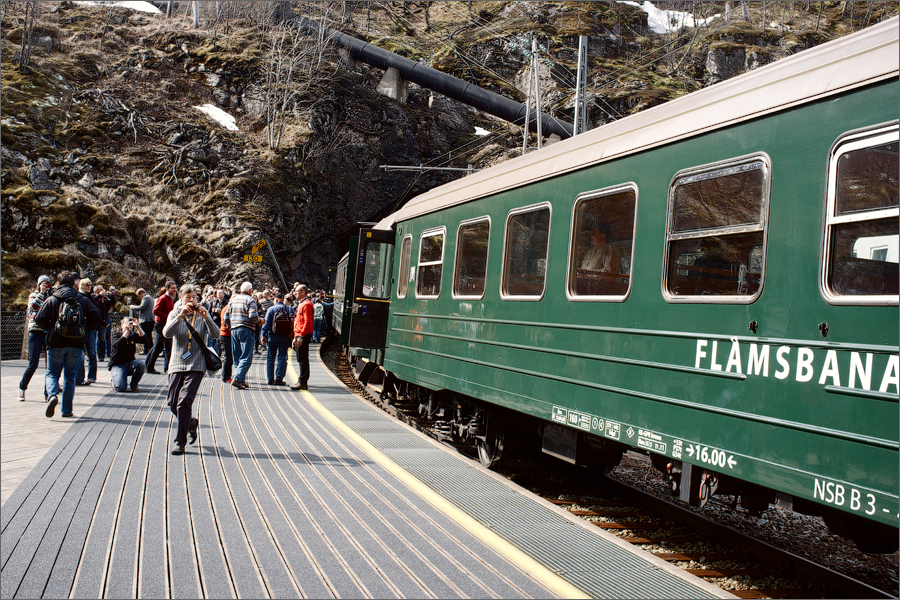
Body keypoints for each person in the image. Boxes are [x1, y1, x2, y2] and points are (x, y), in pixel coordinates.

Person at [34, 270, 101, 418]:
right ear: (74, 283)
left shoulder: (53, 299)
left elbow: (39, 320)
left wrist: (50, 329)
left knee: (52, 373)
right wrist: (83, 328)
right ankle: (66, 411)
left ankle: (52, 395)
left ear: (58, 282)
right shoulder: (82, 299)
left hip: (55, 342)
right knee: (70, 378)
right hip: (76, 343)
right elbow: (96, 314)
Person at [164, 283, 219, 455]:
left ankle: (180, 442)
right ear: (180, 299)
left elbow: (216, 335)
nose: (191, 301)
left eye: (194, 297)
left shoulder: (202, 313)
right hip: (177, 362)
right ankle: (190, 424)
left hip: (196, 363)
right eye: (188, 298)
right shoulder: (175, 312)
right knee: (172, 403)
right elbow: (166, 333)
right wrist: (180, 316)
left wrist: (207, 318)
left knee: (184, 401)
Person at [18, 275, 53, 401]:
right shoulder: (34, 295)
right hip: (35, 332)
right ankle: (22, 387)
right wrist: (41, 294)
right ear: (38, 284)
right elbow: (33, 307)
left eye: (48, 283)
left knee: (49, 365)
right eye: (43, 283)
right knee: (33, 364)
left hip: (47, 332)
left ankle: (48, 393)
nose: (45, 285)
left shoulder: (51, 297)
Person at [225, 281, 258, 390]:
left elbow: (226, 316)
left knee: (237, 355)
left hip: (234, 329)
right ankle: (238, 378)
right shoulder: (250, 300)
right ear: (250, 290)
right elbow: (253, 315)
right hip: (246, 329)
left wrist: (230, 327)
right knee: (246, 356)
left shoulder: (233, 300)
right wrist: (260, 321)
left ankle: (240, 378)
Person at [261, 290, 292, 385]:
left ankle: (270, 379)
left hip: (272, 336)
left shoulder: (271, 309)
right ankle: (279, 378)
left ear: (276, 300)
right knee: (282, 357)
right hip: (285, 337)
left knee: (270, 357)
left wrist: (263, 335)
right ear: (283, 300)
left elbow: (266, 324)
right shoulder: (289, 309)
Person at [108, 317, 147, 392]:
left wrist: (138, 327)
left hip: (129, 363)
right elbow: (117, 345)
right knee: (121, 388)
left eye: (131, 324)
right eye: (127, 323)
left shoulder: (133, 335)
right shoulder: (116, 335)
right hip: (118, 364)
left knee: (141, 364)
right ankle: (114, 380)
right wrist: (126, 332)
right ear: (122, 325)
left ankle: (134, 384)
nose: (130, 326)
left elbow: (145, 340)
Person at [146, 281, 177, 374]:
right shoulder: (163, 298)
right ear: (167, 289)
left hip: (166, 324)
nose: (174, 290)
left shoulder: (171, 299)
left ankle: (151, 366)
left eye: (175, 288)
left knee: (160, 347)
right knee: (166, 346)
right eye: (172, 288)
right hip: (161, 324)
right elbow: (155, 311)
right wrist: (167, 316)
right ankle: (166, 367)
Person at [290, 285, 314, 391]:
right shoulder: (303, 304)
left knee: (302, 358)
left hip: (303, 335)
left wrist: (300, 336)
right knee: (301, 358)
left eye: (296, 291)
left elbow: (307, 321)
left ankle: (303, 381)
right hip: (300, 334)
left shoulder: (306, 304)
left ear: (303, 292)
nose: (295, 293)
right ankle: (302, 380)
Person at [75, 277, 99, 385]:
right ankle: (80, 377)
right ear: (82, 286)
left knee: (92, 353)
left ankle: (92, 376)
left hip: (91, 327)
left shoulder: (91, 297)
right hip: (81, 327)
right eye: (87, 285)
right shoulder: (79, 297)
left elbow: (96, 312)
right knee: (80, 353)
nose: (89, 287)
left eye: (90, 285)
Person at [92, 284, 116, 361]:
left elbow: (113, 302)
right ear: (96, 291)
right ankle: (92, 354)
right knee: (92, 338)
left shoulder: (104, 299)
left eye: (103, 289)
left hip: (103, 320)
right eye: (101, 289)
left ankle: (101, 355)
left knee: (102, 338)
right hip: (94, 320)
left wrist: (112, 293)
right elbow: (93, 301)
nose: (103, 291)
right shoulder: (93, 297)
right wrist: (99, 296)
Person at [130, 288, 155, 354]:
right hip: (151, 319)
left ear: (141, 293)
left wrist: (133, 307)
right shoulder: (150, 297)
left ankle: (146, 349)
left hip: (145, 319)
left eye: (139, 295)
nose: (140, 297)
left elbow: (142, 307)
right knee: (149, 335)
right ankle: (151, 349)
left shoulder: (145, 298)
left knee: (145, 335)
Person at [219, 298, 233, 383]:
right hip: (225, 334)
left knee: (229, 357)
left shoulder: (229, 308)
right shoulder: (227, 308)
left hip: (228, 334)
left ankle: (226, 374)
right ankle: (225, 376)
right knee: (228, 357)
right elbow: (225, 322)